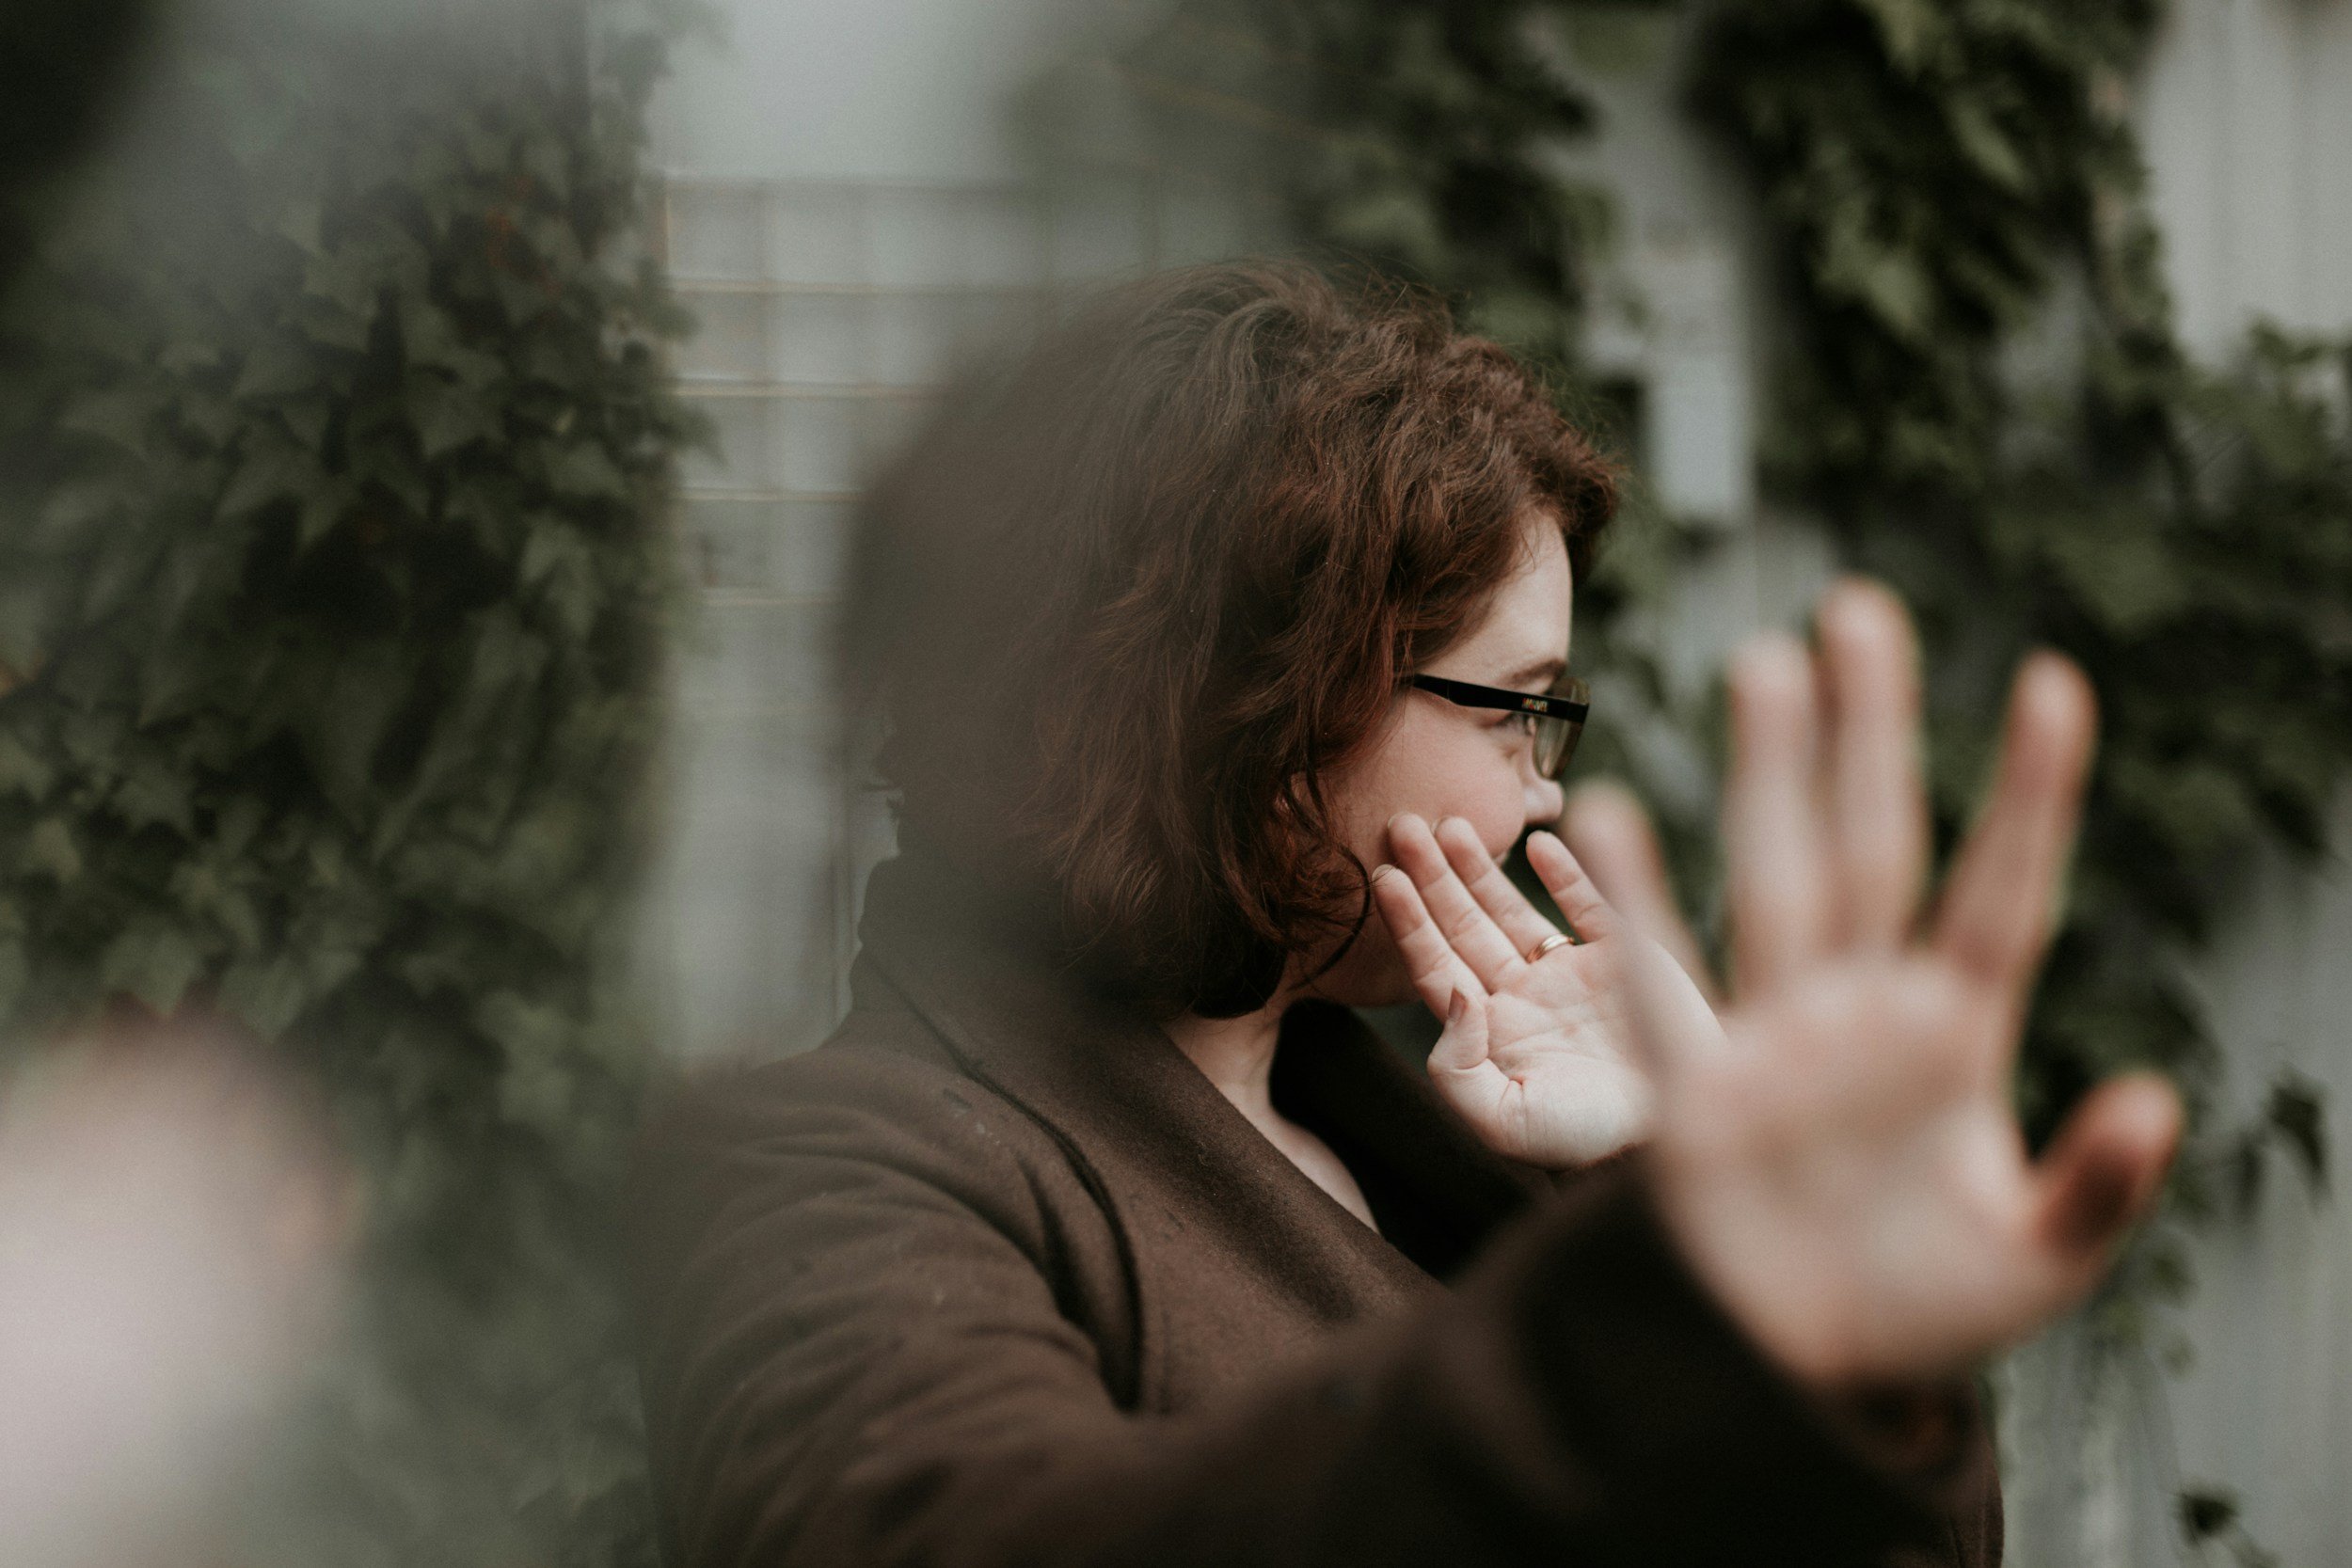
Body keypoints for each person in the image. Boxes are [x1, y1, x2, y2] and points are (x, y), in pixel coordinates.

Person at [627, 262, 2181, 1566]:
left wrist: (1716, 1208)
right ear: (1247, 702)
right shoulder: (825, 1185)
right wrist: (1665, 1310)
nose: (1545, 795)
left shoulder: (1456, 1149)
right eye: (1516, 708)